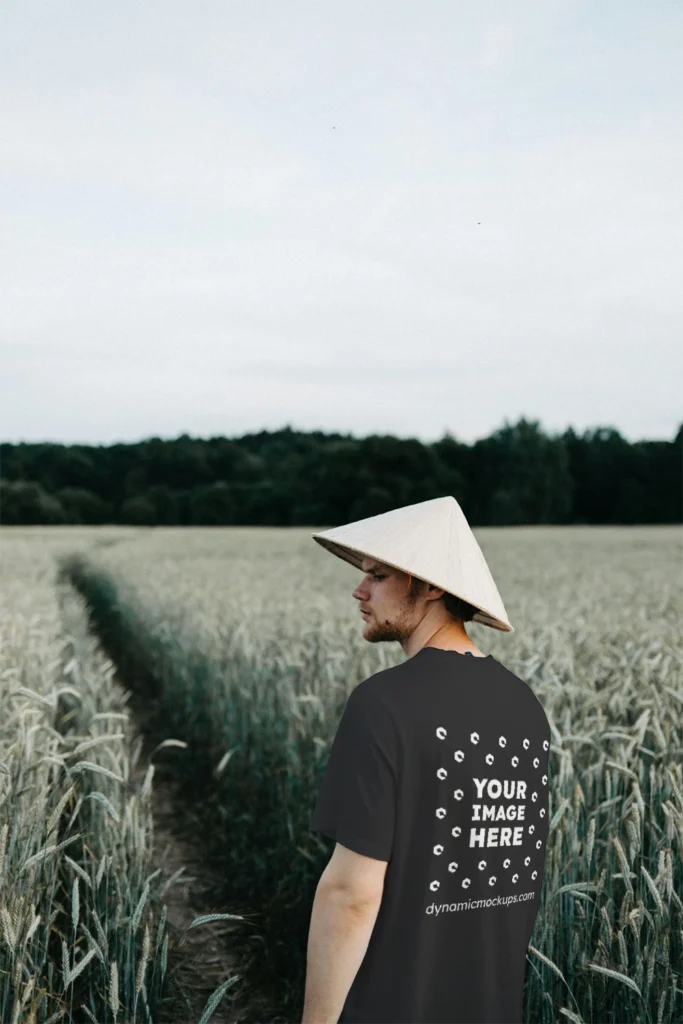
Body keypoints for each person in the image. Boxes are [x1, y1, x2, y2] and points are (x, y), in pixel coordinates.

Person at [303, 495, 551, 1024]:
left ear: (432, 585)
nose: (359, 589)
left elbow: (351, 893)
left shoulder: (382, 704)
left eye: (378, 575)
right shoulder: (526, 708)